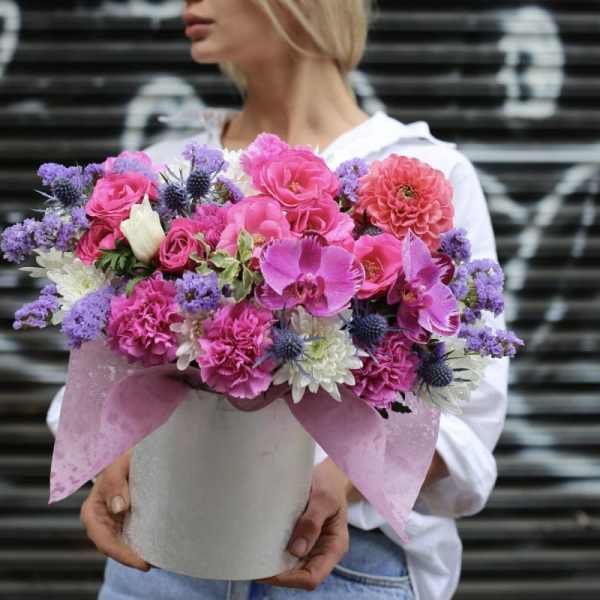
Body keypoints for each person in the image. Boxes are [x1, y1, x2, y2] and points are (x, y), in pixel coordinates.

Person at [46, 1, 509, 598]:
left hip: (343, 569)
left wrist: (342, 481)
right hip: (157, 560)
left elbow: (467, 416)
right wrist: (109, 458)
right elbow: (97, 374)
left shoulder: (428, 176)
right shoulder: (166, 172)